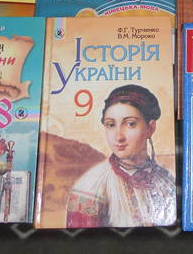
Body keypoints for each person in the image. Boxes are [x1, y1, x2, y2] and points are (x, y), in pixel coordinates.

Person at [66, 84, 175, 228]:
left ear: (150, 128)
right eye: (110, 125)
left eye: (130, 124)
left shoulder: (166, 179)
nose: (118, 137)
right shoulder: (91, 186)